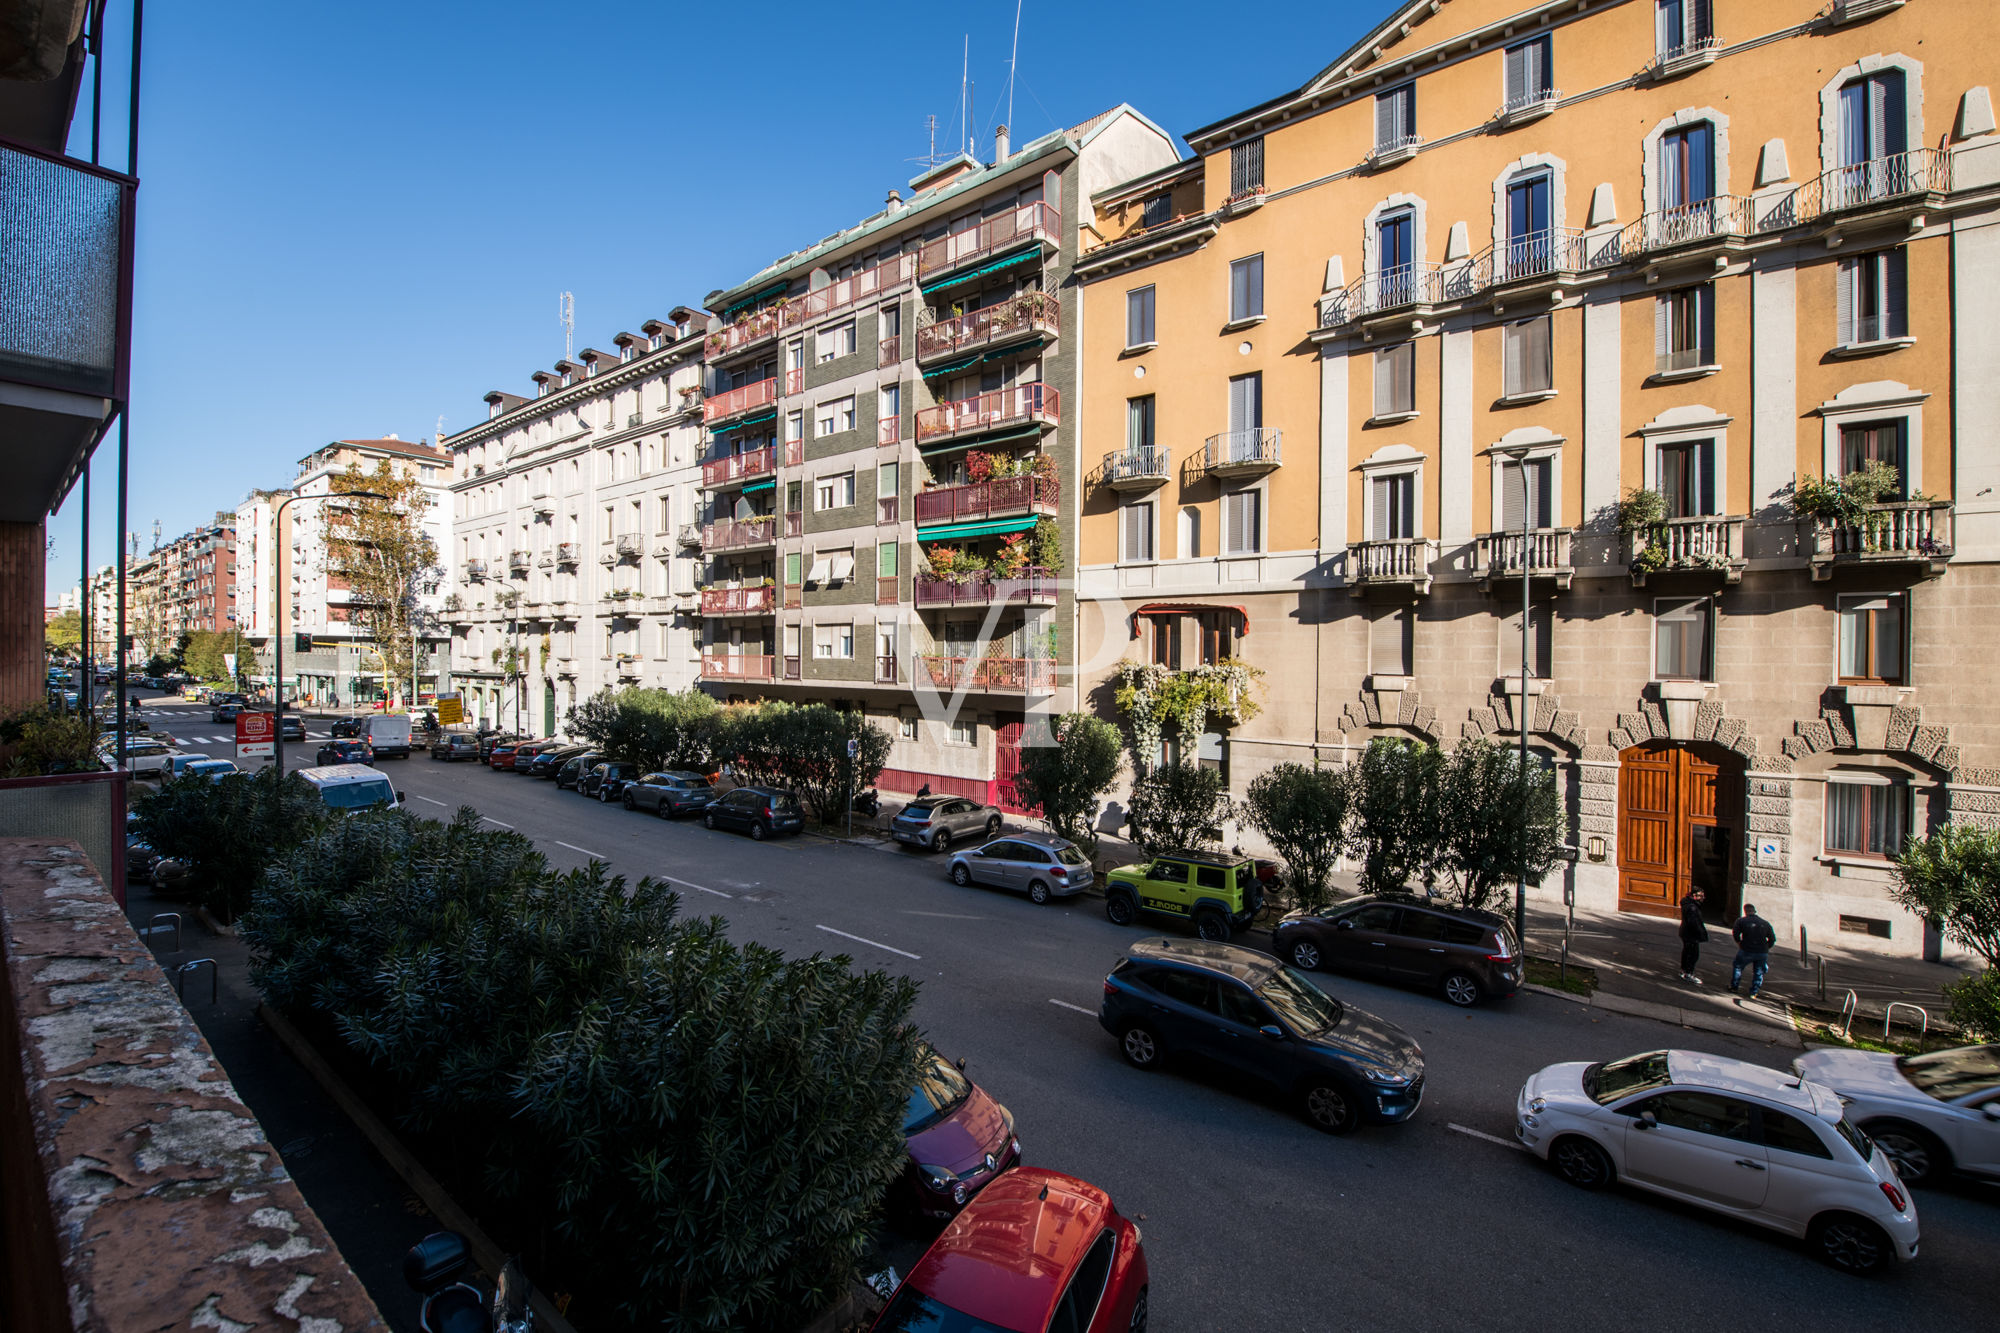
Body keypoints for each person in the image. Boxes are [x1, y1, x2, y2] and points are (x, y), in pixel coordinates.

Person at [1729, 903, 1777, 999]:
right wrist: (1767, 948)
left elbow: (1736, 933)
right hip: (1762, 951)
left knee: (1738, 967)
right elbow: (1772, 938)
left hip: (1747, 949)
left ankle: (1734, 987)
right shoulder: (1765, 923)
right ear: (1755, 911)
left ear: (1745, 911)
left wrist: (1739, 943)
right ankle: (1754, 992)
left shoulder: (1741, 921)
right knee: (1758, 972)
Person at [1677, 889, 1708, 984]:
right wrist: (1701, 933)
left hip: (1685, 933)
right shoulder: (1692, 908)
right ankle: (1688, 973)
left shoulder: (1687, 904)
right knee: (1693, 954)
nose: (1703, 898)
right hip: (1691, 935)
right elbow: (1694, 923)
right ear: (1694, 896)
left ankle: (1684, 970)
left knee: (1687, 952)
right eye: (1701, 896)